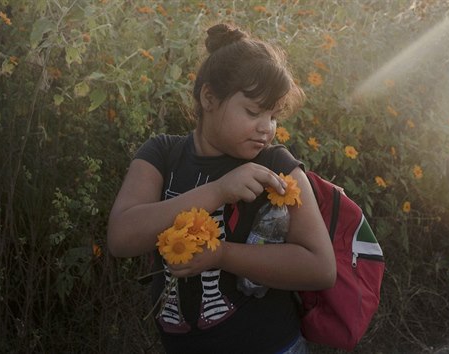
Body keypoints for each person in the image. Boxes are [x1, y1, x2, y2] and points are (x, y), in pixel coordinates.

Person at [107, 23, 336, 354]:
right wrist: (217, 191)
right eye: (253, 111)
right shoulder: (161, 154)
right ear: (209, 97)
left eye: (274, 115)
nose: (267, 128)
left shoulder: (277, 167)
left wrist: (222, 255)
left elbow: (320, 268)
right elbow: (121, 238)